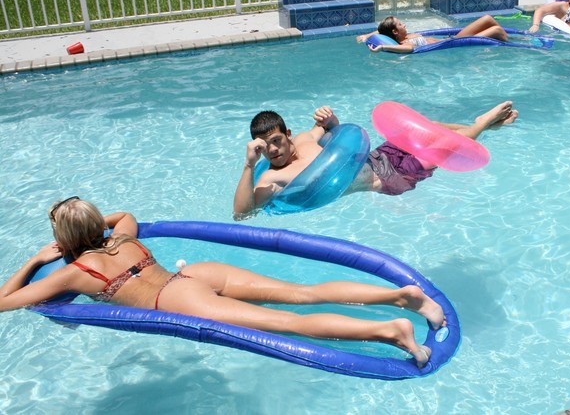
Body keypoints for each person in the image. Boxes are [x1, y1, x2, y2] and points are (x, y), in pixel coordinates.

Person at [0, 198, 445, 368]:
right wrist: (96, 223)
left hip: (173, 297)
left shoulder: (77, 272)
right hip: (194, 272)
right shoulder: (122, 238)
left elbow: (6, 302)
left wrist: (34, 260)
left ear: (62, 239)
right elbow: (127, 214)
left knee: (284, 323)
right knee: (301, 294)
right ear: (97, 224)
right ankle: (400, 296)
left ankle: (391, 331)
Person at [233, 102, 519, 219]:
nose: (272, 150)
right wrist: (248, 165)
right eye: (265, 146)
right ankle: (482, 123)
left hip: (378, 157)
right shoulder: (270, 177)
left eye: (276, 141)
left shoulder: (307, 138)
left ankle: (479, 128)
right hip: (388, 180)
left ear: (288, 134)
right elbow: (242, 214)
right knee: (441, 148)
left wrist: (329, 118)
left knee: (427, 128)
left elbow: (334, 128)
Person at [357, 14, 509, 53]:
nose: (405, 24)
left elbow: (381, 30)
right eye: (401, 24)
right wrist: (383, 47)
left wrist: (367, 35)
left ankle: (509, 39)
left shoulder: (402, 35)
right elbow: (409, 49)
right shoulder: (404, 43)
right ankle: (513, 44)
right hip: (454, 43)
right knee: (497, 30)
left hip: (453, 38)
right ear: (395, 32)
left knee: (488, 19)